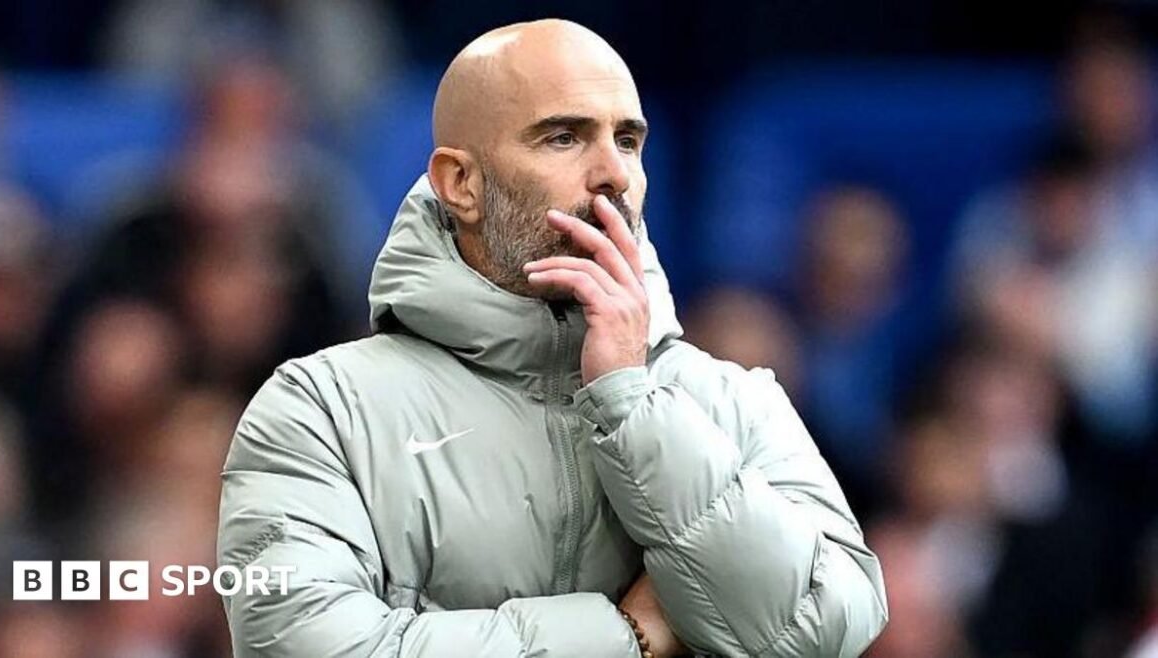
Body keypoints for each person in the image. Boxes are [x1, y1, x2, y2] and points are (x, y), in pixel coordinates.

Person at [217, 19, 887, 657]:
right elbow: (303, 643)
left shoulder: (730, 396)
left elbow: (826, 630)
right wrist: (629, 633)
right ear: (461, 184)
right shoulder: (321, 410)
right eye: (563, 137)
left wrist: (633, 404)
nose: (613, 174)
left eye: (628, 140)